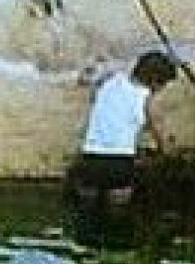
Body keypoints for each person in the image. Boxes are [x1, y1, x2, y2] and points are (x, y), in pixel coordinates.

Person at [73, 50, 178, 198]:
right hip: (120, 163)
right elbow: (164, 144)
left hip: (89, 158)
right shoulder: (148, 100)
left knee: (86, 213)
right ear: (155, 82)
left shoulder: (109, 79)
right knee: (118, 214)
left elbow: (84, 79)